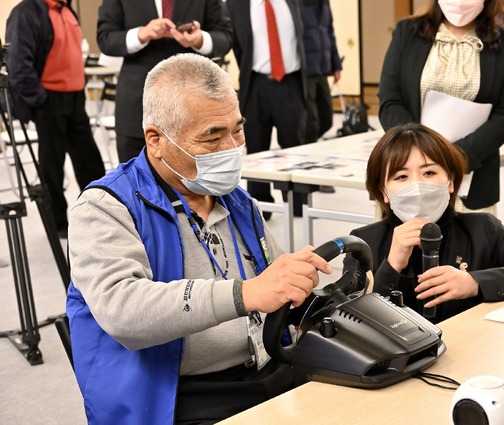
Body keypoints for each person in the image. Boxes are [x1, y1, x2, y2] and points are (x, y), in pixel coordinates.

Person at [66, 53, 333, 425]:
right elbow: (123, 310)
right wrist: (245, 294)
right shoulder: (104, 208)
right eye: (212, 136)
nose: (232, 149)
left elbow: (273, 286)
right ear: (156, 140)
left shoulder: (237, 201)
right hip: (179, 397)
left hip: (267, 371)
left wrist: (306, 286)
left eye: (237, 130)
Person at [343, 123, 504, 324]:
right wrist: (391, 267)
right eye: (401, 176)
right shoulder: (363, 242)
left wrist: (475, 282)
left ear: (451, 181)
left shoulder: (483, 230)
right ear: (384, 192)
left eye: (429, 173)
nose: (417, 186)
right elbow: (350, 320)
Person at [377, 0, 504, 214]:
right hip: (408, 173)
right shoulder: (407, 32)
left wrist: (455, 158)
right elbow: (390, 101)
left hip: (472, 178)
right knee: (403, 244)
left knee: (470, 245)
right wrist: (423, 153)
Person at [6, 0, 106, 239]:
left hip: (75, 98)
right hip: (48, 100)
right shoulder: (26, 12)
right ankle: (58, 225)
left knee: (90, 162)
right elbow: (18, 65)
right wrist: (40, 100)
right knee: (52, 166)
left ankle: (102, 214)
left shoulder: (66, 9)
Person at [96, 0, 233, 163]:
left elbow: (225, 37)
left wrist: (199, 39)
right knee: (135, 182)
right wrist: (141, 34)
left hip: (195, 105)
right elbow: (105, 38)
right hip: (137, 107)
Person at [226, 0, 307, 217]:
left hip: (291, 83)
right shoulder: (235, 5)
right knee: (256, 146)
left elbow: (304, 37)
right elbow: (238, 47)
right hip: (256, 84)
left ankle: (299, 204)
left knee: (295, 145)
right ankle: (261, 206)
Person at [302, 0, 342, 145]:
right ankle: (307, 146)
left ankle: (306, 142)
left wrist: (336, 65)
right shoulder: (298, 4)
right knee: (311, 120)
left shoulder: (324, 3)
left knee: (327, 118)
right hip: (306, 70)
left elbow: (330, 33)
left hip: (323, 68)